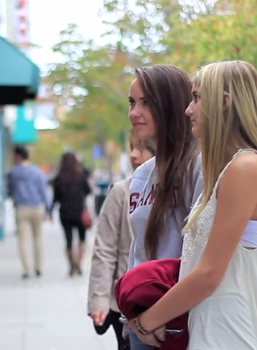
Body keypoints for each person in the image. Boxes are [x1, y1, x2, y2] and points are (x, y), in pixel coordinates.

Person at [129, 60, 257, 350]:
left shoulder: (245, 168)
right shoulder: (235, 167)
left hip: (229, 335)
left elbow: (208, 274)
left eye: (196, 97)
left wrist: (146, 321)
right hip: (216, 331)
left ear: (224, 103)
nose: (188, 110)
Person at [124, 64, 203, 350]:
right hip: (141, 323)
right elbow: (139, 252)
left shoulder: (198, 166)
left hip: (182, 324)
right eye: (132, 103)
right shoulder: (141, 175)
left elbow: (203, 257)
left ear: (170, 104)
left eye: (146, 103)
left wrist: (157, 318)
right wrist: (134, 318)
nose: (135, 113)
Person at [87, 130, 154, 350]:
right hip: (124, 299)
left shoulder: (177, 187)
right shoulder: (120, 192)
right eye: (132, 148)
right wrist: (99, 300)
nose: (134, 155)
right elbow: (104, 249)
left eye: (141, 148)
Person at [7, 145, 51, 279]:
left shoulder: (13, 173)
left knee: (22, 240)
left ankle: (26, 270)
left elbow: (9, 191)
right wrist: (48, 209)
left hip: (21, 208)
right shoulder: (36, 172)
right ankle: (38, 268)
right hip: (37, 207)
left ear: (18, 156)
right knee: (38, 238)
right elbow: (43, 190)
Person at [51, 152, 91, 276]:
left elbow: (56, 198)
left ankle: (71, 265)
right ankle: (79, 263)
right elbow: (88, 190)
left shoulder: (58, 178)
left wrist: (49, 211)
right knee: (81, 239)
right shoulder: (80, 175)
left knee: (68, 240)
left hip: (65, 212)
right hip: (79, 211)